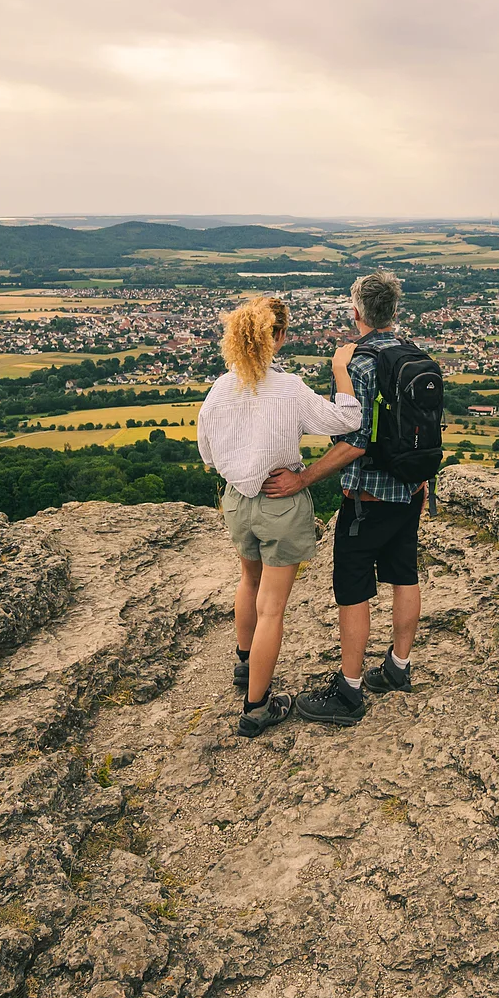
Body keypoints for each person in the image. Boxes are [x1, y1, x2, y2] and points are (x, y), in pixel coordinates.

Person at [196, 295, 361, 737]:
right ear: (280, 337)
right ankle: (257, 707)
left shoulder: (219, 389)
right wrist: (342, 372)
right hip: (280, 501)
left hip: (236, 502)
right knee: (272, 609)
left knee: (248, 581)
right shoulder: (288, 389)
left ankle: (245, 663)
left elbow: (207, 455)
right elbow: (346, 420)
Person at [264, 270, 422, 728]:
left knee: (354, 591)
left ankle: (349, 693)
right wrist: (420, 475)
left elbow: (353, 440)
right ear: (393, 312)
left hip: (367, 497)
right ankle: (398, 667)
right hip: (409, 491)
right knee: (404, 575)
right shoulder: (414, 355)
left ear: (357, 313)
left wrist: (302, 479)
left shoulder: (359, 363)